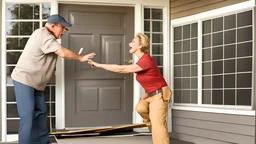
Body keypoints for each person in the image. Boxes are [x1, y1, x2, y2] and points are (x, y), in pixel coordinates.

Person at [11, 14, 95, 144]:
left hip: (36, 83)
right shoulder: (44, 35)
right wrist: (80, 58)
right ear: (53, 26)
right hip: (24, 80)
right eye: (63, 27)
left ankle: (43, 142)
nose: (65, 30)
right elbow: (62, 52)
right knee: (27, 117)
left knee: (41, 112)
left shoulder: (47, 36)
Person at [88, 33, 172, 144]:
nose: (129, 43)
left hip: (159, 94)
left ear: (140, 46)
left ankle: (158, 132)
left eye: (133, 41)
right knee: (140, 108)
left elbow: (120, 69)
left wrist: (99, 65)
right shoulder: (141, 61)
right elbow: (151, 79)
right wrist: (147, 93)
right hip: (151, 94)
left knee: (158, 125)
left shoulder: (147, 60)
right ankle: (155, 127)